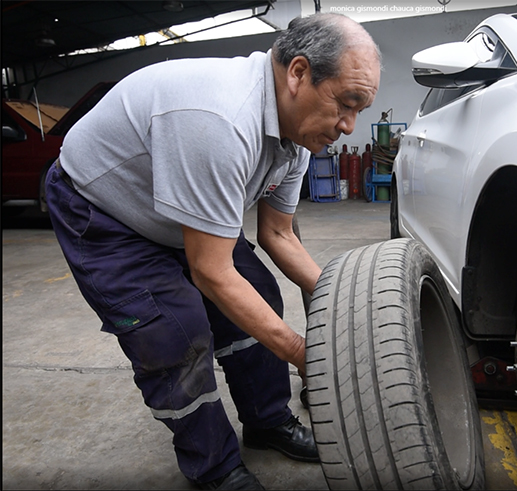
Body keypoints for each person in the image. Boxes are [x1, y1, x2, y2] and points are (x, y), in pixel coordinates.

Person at [45, 13, 381, 490]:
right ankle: (217, 468)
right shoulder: (219, 119)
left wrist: (347, 300)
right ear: (299, 73)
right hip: (104, 210)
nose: (349, 126)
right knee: (172, 333)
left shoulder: (299, 134)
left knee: (259, 293)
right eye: (346, 104)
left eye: (360, 110)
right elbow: (212, 272)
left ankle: (268, 422)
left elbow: (279, 235)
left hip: (175, 208)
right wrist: (305, 355)